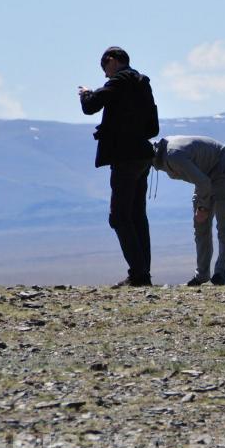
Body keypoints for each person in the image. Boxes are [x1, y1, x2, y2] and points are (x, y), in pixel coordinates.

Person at [78, 47, 159, 287]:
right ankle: (142, 272)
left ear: (112, 61)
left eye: (104, 68)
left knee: (119, 217)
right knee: (136, 215)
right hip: (143, 156)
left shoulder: (120, 81)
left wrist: (85, 94)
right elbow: (152, 128)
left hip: (125, 159)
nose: (105, 75)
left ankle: (139, 275)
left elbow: (90, 106)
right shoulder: (143, 83)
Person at [152, 136, 225, 286]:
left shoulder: (173, 156)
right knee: (201, 227)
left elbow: (203, 182)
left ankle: (220, 275)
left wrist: (202, 208)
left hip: (224, 167)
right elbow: (202, 181)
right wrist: (202, 206)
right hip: (205, 174)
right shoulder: (164, 153)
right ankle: (202, 275)